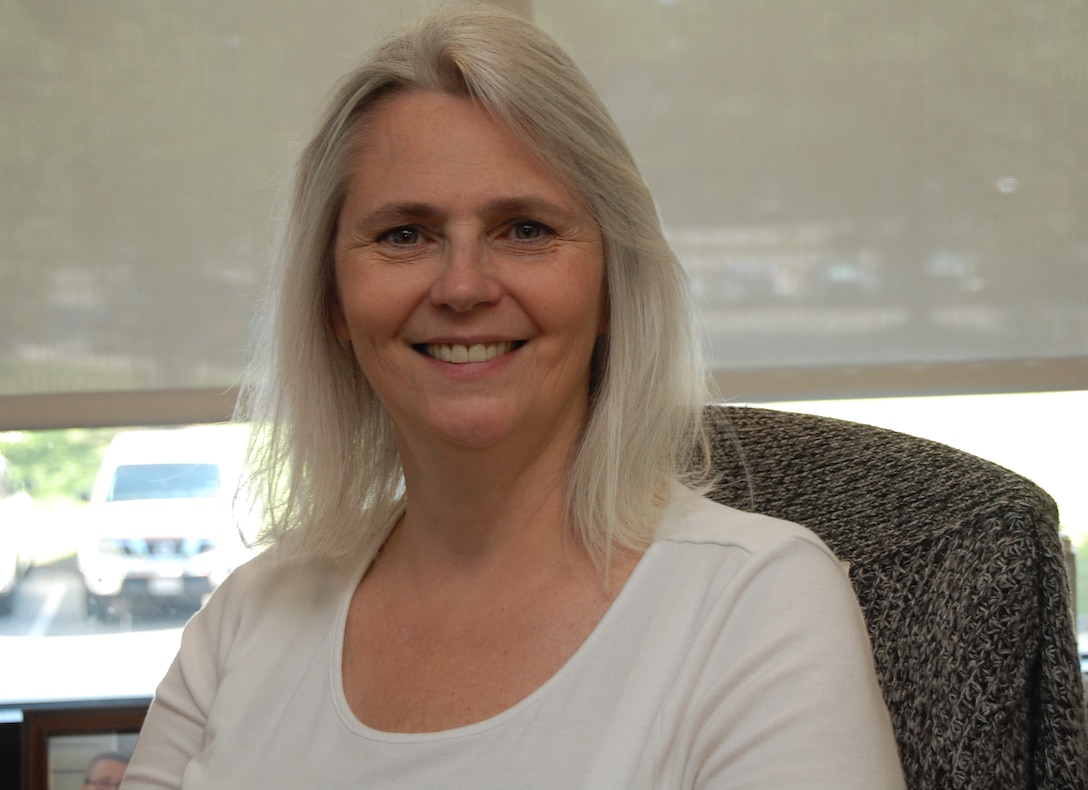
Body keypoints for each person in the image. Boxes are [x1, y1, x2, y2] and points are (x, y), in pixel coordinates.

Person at [121, 5, 905, 788]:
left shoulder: (758, 605)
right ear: (332, 299)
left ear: (610, 288)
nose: (463, 287)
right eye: (404, 234)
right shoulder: (245, 619)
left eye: (524, 229)